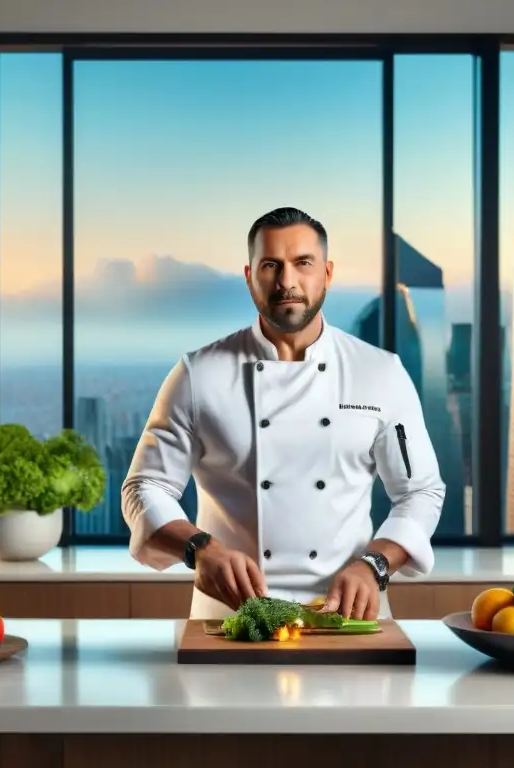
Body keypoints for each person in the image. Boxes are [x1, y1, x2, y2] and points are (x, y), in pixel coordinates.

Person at [121, 206, 445, 621]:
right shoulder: (199, 374)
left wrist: (376, 564)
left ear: (326, 273)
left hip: (347, 617)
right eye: (271, 265)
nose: (287, 281)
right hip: (231, 620)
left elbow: (420, 491)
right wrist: (199, 548)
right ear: (249, 276)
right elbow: (144, 487)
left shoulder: (380, 372)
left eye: (302, 264)